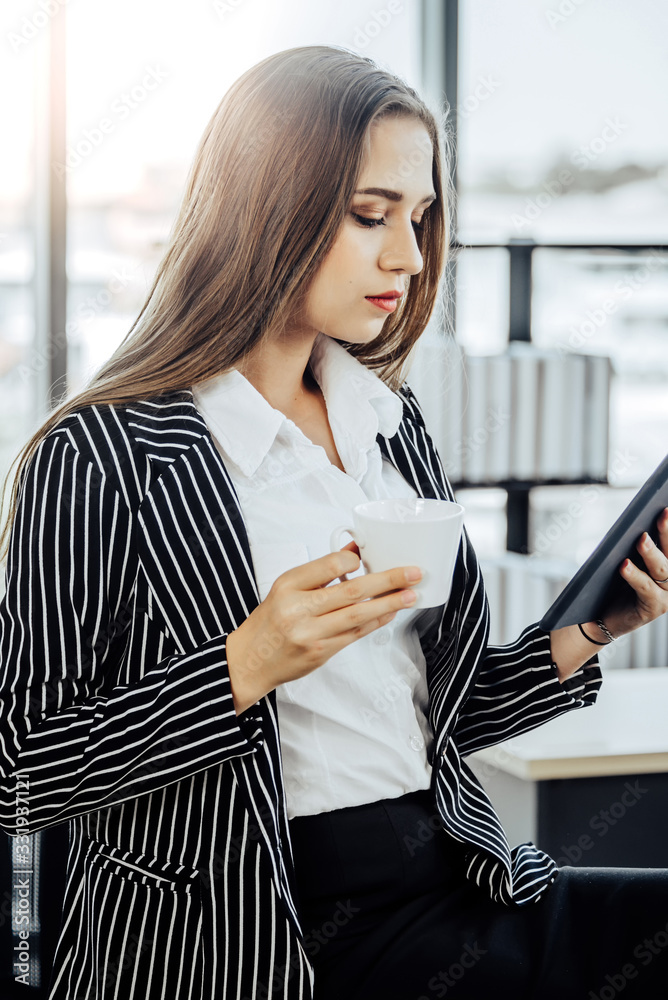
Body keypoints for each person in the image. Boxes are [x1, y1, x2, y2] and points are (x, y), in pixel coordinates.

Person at [0, 43, 667, 1000]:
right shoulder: (102, 454)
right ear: (265, 210)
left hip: (454, 881)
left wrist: (591, 629)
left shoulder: (390, 428)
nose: (408, 255)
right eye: (370, 216)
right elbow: (20, 764)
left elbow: (436, 721)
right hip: (253, 934)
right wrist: (248, 662)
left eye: (421, 217)